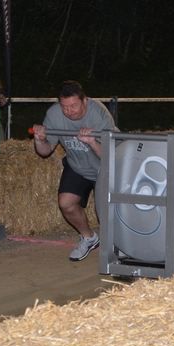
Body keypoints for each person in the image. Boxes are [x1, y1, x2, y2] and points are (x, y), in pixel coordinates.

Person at [32, 81, 119, 261]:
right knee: (66, 203)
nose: (69, 111)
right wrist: (39, 140)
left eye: (73, 106)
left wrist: (92, 142)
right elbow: (45, 151)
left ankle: (121, 248)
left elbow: (111, 155)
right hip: (77, 165)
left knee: (105, 213)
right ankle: (89, 238)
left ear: (85, 101)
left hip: (104, 167)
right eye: (64, 106)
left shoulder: (99, 113)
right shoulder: (54, 114)